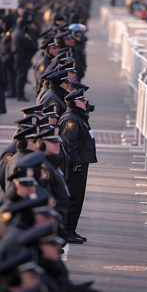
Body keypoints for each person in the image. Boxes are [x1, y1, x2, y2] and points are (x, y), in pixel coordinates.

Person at [58, 89, 97, 243]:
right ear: (74, 102)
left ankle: (71, 230)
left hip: (79, 164)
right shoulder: (71, 119)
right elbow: (69, 143)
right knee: (73, 199)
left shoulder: (78, 117)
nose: (85, 102)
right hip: (74, 166)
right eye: (82, 100)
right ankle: (67, 232)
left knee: (78, 198)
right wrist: (75, 163)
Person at [11, 16, 37, 101]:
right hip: (22, 57)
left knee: (19, 75)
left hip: (18, 56)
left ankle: (18, 93)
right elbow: (30, 45)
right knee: (21, 76)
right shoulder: (22, 33)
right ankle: (20, 94)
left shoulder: (16, 31)